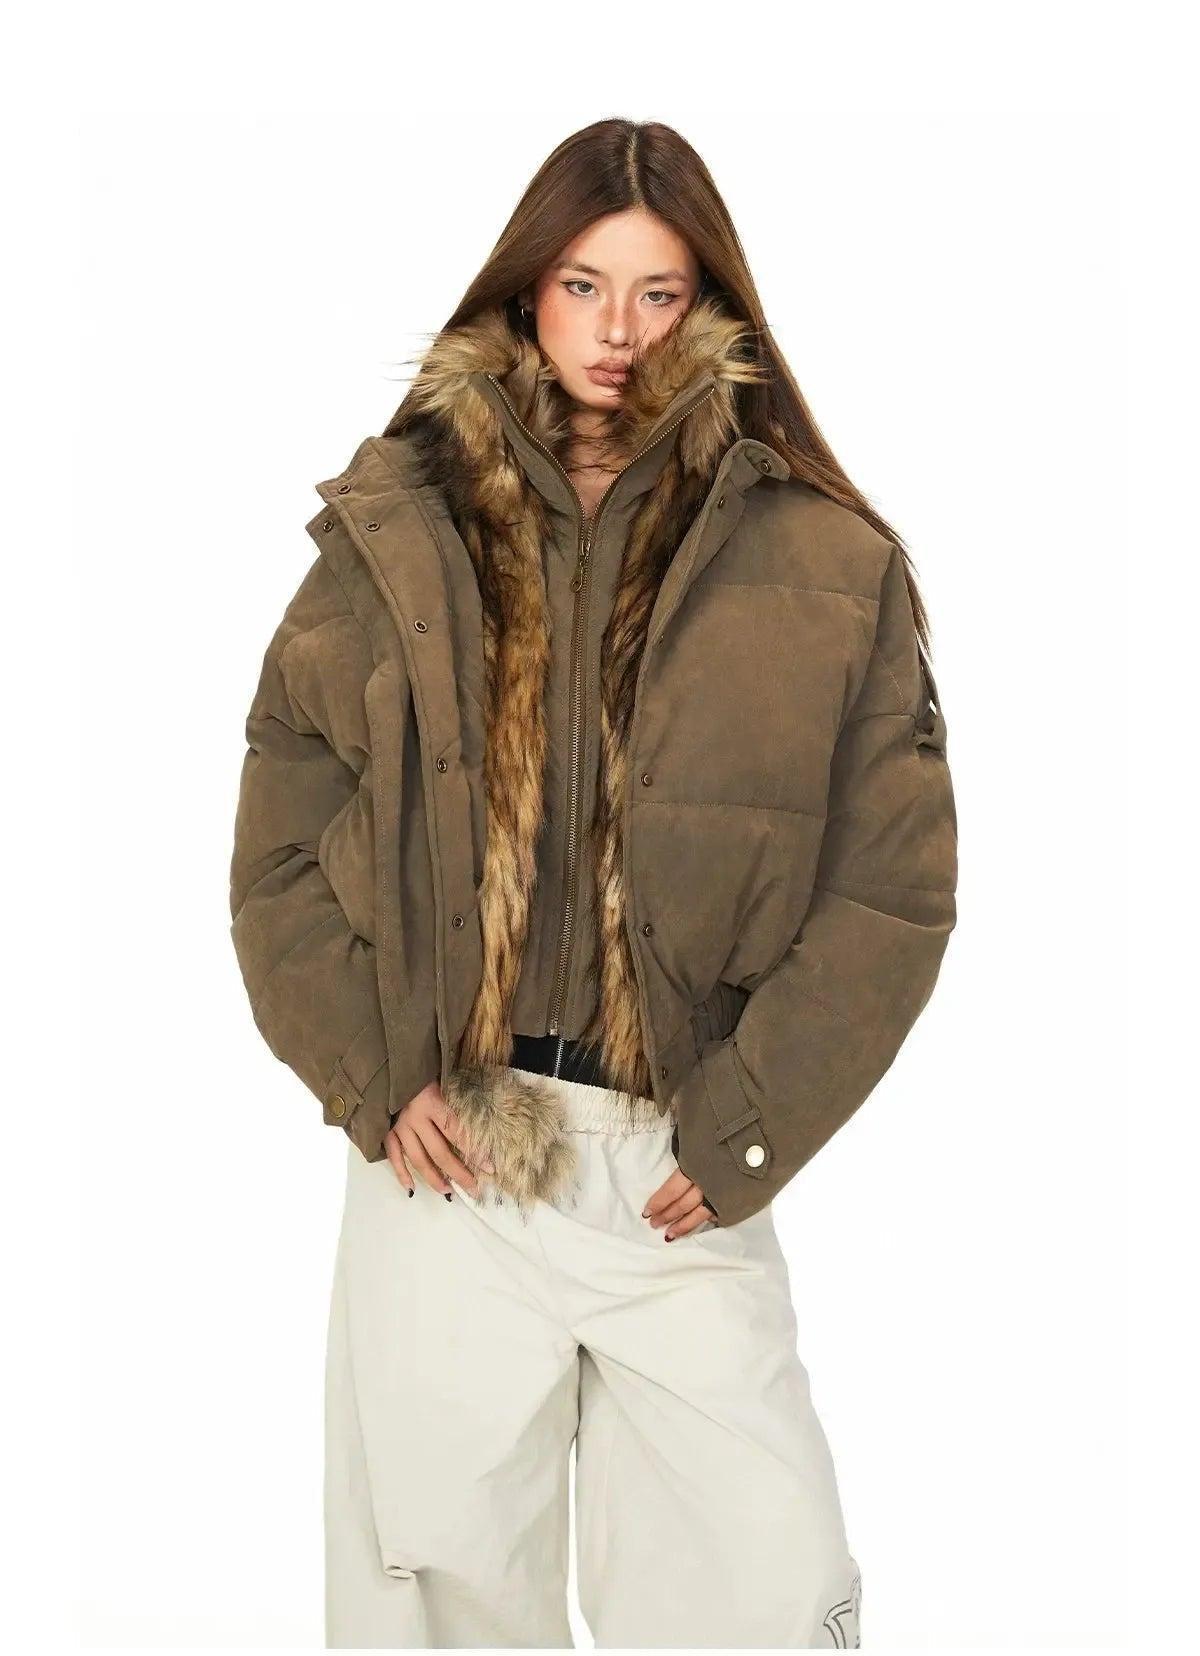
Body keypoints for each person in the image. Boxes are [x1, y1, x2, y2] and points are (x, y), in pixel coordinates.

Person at [228, 117, 958, 1650]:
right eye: (582, 285)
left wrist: (752, 1114)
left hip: (672, 1160)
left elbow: (890, 888)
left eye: (658, 291)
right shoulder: (398, 530)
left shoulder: (828, 562)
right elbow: (282, 839)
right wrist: (373, 1074)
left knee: (767, 1590)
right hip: (449, 1155)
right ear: (527, 292)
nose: (617, 330)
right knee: (440, 1603)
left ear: (710, 304)